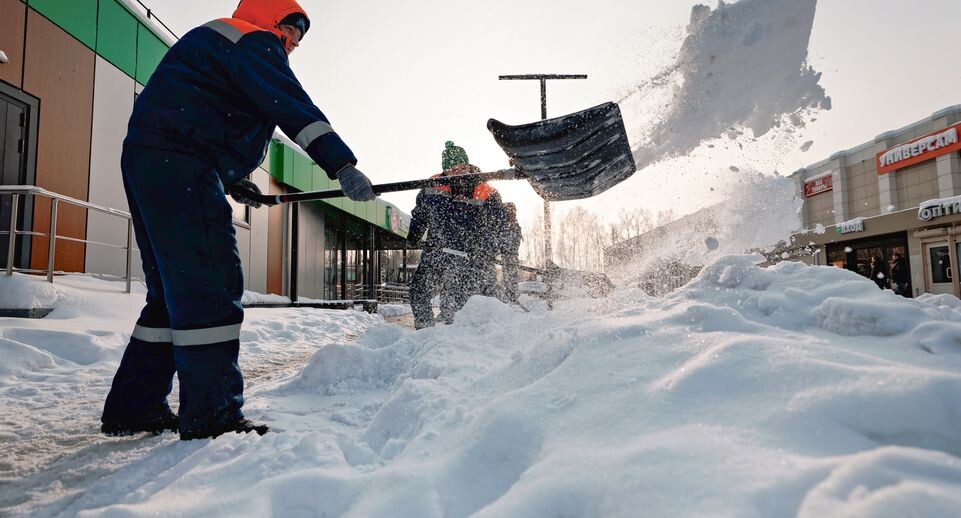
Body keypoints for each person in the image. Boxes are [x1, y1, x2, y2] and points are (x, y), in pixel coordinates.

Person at [101, 0, 376, 441]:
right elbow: (291, 106)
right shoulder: (252, 41)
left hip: (153, 161)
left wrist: (237, 179)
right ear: (269, 20)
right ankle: (212, 415)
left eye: (298, 38)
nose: (292, 42)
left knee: (172, 296)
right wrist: (341, 164)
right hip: (181, 163)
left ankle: (135, 407)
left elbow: (209, 114)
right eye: (290, 29)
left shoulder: (220, 42)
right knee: (212, 286)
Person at [407, 142, 504, 329]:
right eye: (452, 170)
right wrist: (414, 235)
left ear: (468, 165)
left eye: (461, 168)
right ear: (445, 171)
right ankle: (424, 330)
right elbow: (420, 215)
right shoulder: (432, 187)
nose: (457, 173)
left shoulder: (487, 191)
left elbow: (498, 226)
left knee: (458, 300)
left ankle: (452, 334)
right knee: (419, 290)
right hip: (437, 250)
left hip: (469, 256)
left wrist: (488, 249)